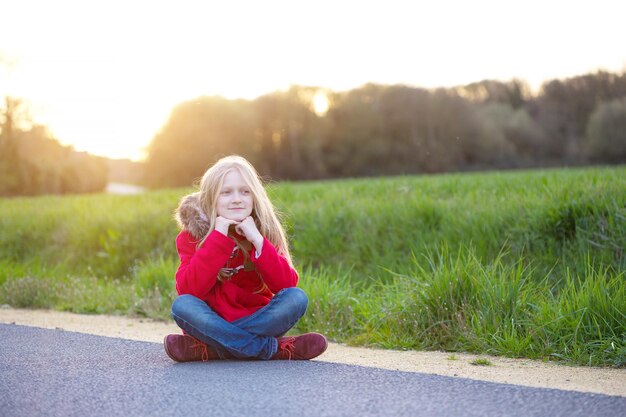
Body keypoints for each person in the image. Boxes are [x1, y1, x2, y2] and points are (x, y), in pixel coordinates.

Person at [164, 155, 328, 362]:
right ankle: (272, 349)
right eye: (226, 192)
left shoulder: (263, 232)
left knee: (297, 298)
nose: (236, 199)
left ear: (254, 197)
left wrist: (258, 241)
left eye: (245, 191)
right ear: (210, 199)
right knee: (182, 306)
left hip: (257, 318)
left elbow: (286, 285)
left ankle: (214, 348)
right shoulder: (192, 237)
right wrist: (218, 237)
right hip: (212, 319)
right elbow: (189, 289)